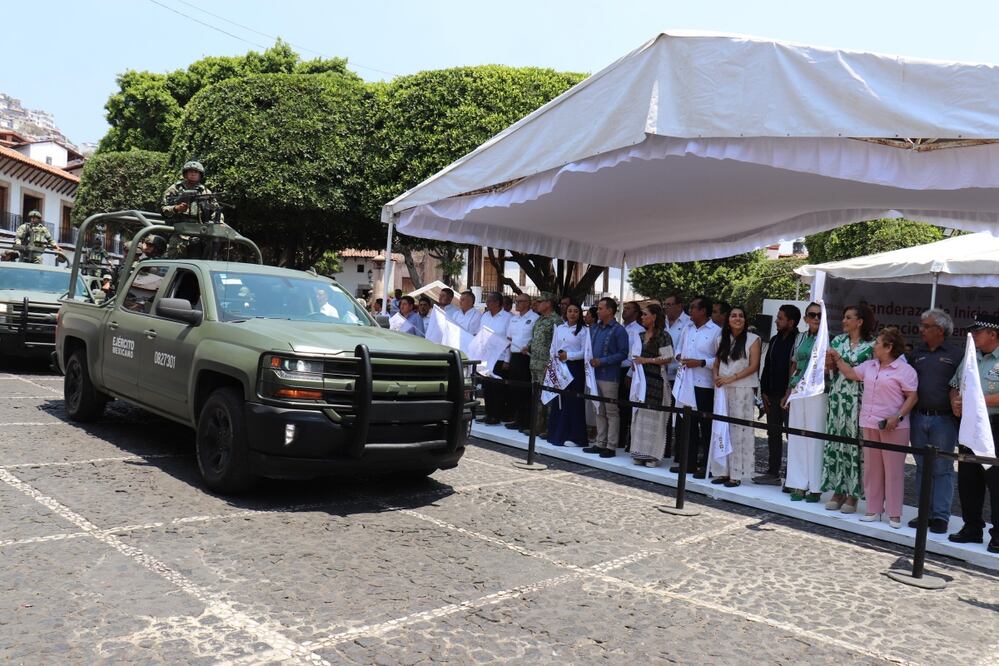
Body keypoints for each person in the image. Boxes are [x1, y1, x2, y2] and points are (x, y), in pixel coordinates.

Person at [834, 327, 917, 528]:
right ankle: (873, 509)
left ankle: (894, 514)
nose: (873, 346)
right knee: (872, 468)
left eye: (877, 343)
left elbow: (912, 396)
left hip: (894, 427)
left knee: (893, 471)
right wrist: (837, 358)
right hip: (870, 423)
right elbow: (851, 373)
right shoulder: (870, 365)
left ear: (888, 347)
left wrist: (898, 416)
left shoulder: (905, 370)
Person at [906, 309, 961, 533]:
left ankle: (940, 516)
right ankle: (924, 514)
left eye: (926, 326)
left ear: (939, 330)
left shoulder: (956, 355)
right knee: (921, 467)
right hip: (919, 416)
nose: (921, 330)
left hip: (944, 420)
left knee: (943, 468)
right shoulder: (916, 353)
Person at [948, 313, 999, 552]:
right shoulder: (971, 357)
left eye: (978, 332)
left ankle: (998, 534)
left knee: (996, 482)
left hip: (994, 425)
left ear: (993, 334)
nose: (974, 335)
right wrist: (955, 402)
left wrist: (975, 400)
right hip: (970, 424)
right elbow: (954, 384)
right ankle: (972, 527)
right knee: (968, 480)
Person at [822, 305, 876, 513]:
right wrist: (828, 363)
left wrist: (838, 359)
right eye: (844, 317)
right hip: (838, 398)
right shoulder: (838, 341)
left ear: (860, 322)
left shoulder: (872, 345)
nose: (843, 321)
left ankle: (853, 494)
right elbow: (830, 371)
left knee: (856, 446)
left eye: (848, 317)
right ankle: (838, 490)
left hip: (859, 400)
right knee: (837, 443)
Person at [710, 306, 761, 486]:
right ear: (728, 319)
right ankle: (722, 470)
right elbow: (716, 364)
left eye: (741, 316)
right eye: (733, 316)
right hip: (723, 389)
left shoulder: (753, 339)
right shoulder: (720, 340)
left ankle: (736, 474)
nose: (737, 318)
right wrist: (716, 377)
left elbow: (753, 366)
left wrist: (732, 378)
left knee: (738, 430)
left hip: (742, 389)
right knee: (722, 428)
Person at [782, 302, 827, 502]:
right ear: (805, 318)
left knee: (815, 438)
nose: (816, 318)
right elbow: (794, 364)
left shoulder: (828, 338)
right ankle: (798, 484)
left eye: (819, 315)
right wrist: (789, 391)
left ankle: (815, 486)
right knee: (797, 436)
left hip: (817, 391)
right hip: (798, 389)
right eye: (812, 314)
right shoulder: (800, 337)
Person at [672, 296, 721, 477]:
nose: (690, 310)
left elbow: (719, 359)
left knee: (706, 426)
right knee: (688, 425)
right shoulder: (688, 328)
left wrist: (700, 362)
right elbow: (679, 348)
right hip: (685, 382)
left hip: (704, 385)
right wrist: (679, 357)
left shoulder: (716, 331)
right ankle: (688, 463)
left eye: (693, 307)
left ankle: (707, 465)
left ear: (703, 311)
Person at [754, 304, 801, 485]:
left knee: (792, 436)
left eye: (780, 318)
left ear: (791, 322)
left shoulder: (798, 341)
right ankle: (773, 473)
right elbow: (767, 367)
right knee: (773, 434)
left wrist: (789, 393)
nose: (776, 321)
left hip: (790, 397)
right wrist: (764, 391)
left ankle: (792, 476)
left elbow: (795, 369)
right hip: (771, 396)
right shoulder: (774, 340)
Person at [583, 297, 629, 458]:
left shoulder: (619, 330)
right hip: (593, 375)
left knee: (611, 411)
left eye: (601, 308)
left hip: (609, 376)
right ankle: (600, 442)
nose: (598, 311)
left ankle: (611, 445)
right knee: (598, 409)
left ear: (610, 310)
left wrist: (602, 361)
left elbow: (623, 353)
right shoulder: (594, 328)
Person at [629, 304, 675, 467]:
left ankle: (652, 456)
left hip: (656, 381)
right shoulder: (640, 336)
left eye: (645, 314)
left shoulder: (663, 335)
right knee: (640, 416)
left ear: (654, 316)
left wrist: (646, 360)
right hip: (641, 382)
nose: (642, 317)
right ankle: (639, 452)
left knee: (654, 416)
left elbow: (668, 358)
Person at [547, 302, 590, 446]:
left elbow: (585, 352)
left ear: (580, 314)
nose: (572, 314)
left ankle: (575, 436)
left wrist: (569, 356)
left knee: (573, 402)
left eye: (576, 311)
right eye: (570, 311)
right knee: (559, 399)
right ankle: (557, 433)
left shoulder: (584, 330)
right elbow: (553, 347)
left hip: (574, 368)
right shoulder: (560, 328)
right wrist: (552, 362)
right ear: (566, 313)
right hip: (559, 366)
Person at [526, 295, 562, 437]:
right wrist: (528, 346)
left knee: (548, 397)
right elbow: (535, 338)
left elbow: (557, 344)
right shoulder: (539, 320)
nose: (536, 304)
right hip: (535, 363)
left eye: (540, 302)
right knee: (536, 397)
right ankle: (537, 427)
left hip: (546, 365)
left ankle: (548, 428)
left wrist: (550, 363)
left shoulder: (556, 321)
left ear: (548, 303)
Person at [504, 294, 537, 431]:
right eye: (516, 301)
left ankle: (527, 421)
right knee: (515, 389)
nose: (517, 304)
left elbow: (536, 339)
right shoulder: (513, 319)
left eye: (520, 301)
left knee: (526, 390)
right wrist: (507, 360)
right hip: (515, 357)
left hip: (527, 357)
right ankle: (518, 419)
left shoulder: (535, 318)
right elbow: (509, 339)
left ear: (528, 303)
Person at [663, 294, 691, 457]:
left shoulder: (688, 323)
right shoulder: (662, 322)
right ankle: (664, 449)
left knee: (681, 416)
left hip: (681, 376)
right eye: (665, 304)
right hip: (663, 374)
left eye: (669, 304)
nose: (666, 307)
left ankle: (680, 453)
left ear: (679, 306)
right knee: (664, 413)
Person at [480, 291, 512, 425]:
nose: (487, 303)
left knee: (497, 388)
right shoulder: (485, 316)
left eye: (489, 301)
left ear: (497, 303)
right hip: (486, 357)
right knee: (487, 387)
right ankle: (488, 413)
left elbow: (510, 340)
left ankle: (496, 415)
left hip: (500, 357)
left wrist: (507, 360)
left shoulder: (508, 317)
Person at [618, 300, 644, 450]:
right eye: (624, 308)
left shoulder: (639, 330)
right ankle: (619, 439)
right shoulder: (620, 328)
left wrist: (629, 373)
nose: (624, 310)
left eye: (628, 308)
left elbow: (636, 354)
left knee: (628, 407)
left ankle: (630, 441)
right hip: (617, 369)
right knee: (618, 406)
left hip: (630, 370)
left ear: (635, 313)